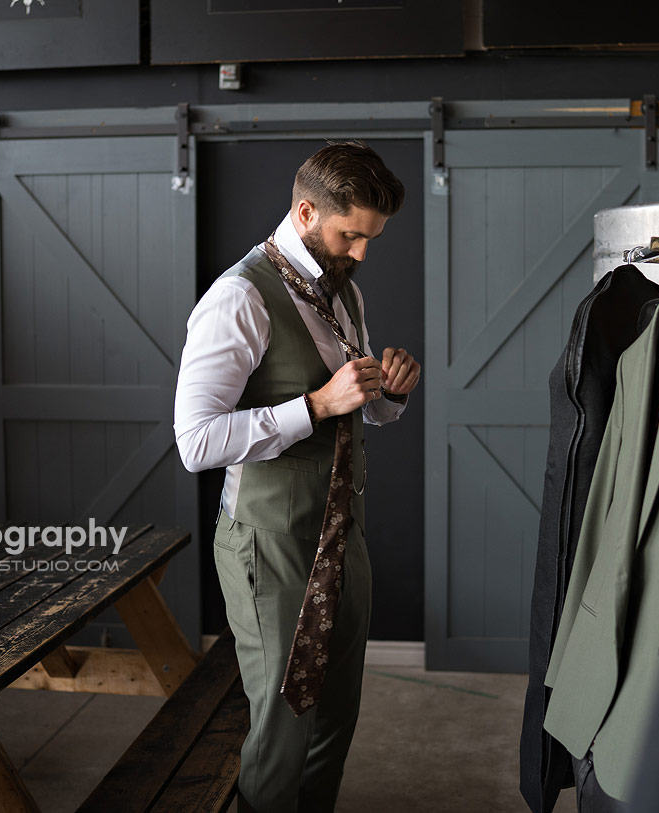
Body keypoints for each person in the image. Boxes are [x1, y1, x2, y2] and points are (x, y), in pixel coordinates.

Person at [173, 141, 419, 812]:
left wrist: (388, 392)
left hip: (343, 537)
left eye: (371, 238)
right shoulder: (238, 299)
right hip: (268, 547)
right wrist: (315, 405)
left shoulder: (345, 294)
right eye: (351, 235)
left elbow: (361, 411)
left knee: (336, 721)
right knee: (282, 731)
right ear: (307, 211)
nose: (362, 252)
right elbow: (195, 442)